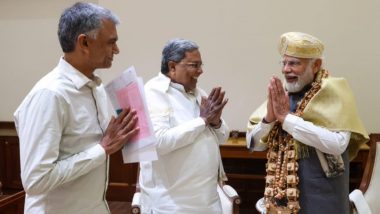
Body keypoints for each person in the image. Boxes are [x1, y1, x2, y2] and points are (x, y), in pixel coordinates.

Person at [13, 2, 139, 213]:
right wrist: (102, 149)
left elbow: (86, 145)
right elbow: (35, 181)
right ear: (84, 43)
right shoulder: (50, 94)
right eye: (111, 42)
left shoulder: (95, 88)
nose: (116, 50)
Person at [246, 32, 369, 214]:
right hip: (282, 199)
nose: (286, 69)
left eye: (294, 63)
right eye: (284, 63)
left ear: (316, 65)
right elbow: (254, 144)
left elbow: (338, 144)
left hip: (324, 198)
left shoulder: (335, 90)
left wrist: (287, 119)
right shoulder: (282, 94)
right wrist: (269, 119)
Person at [139, 38, 229, 213]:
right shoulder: (154, 92)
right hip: (172, 205)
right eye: (194, 65)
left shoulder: (198, 92)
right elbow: (158, 142)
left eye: (201, 65)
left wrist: (216, 122)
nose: (200, 71)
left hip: (207, 201)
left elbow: (223, 137)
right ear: (172, 67)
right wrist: (202, 121)